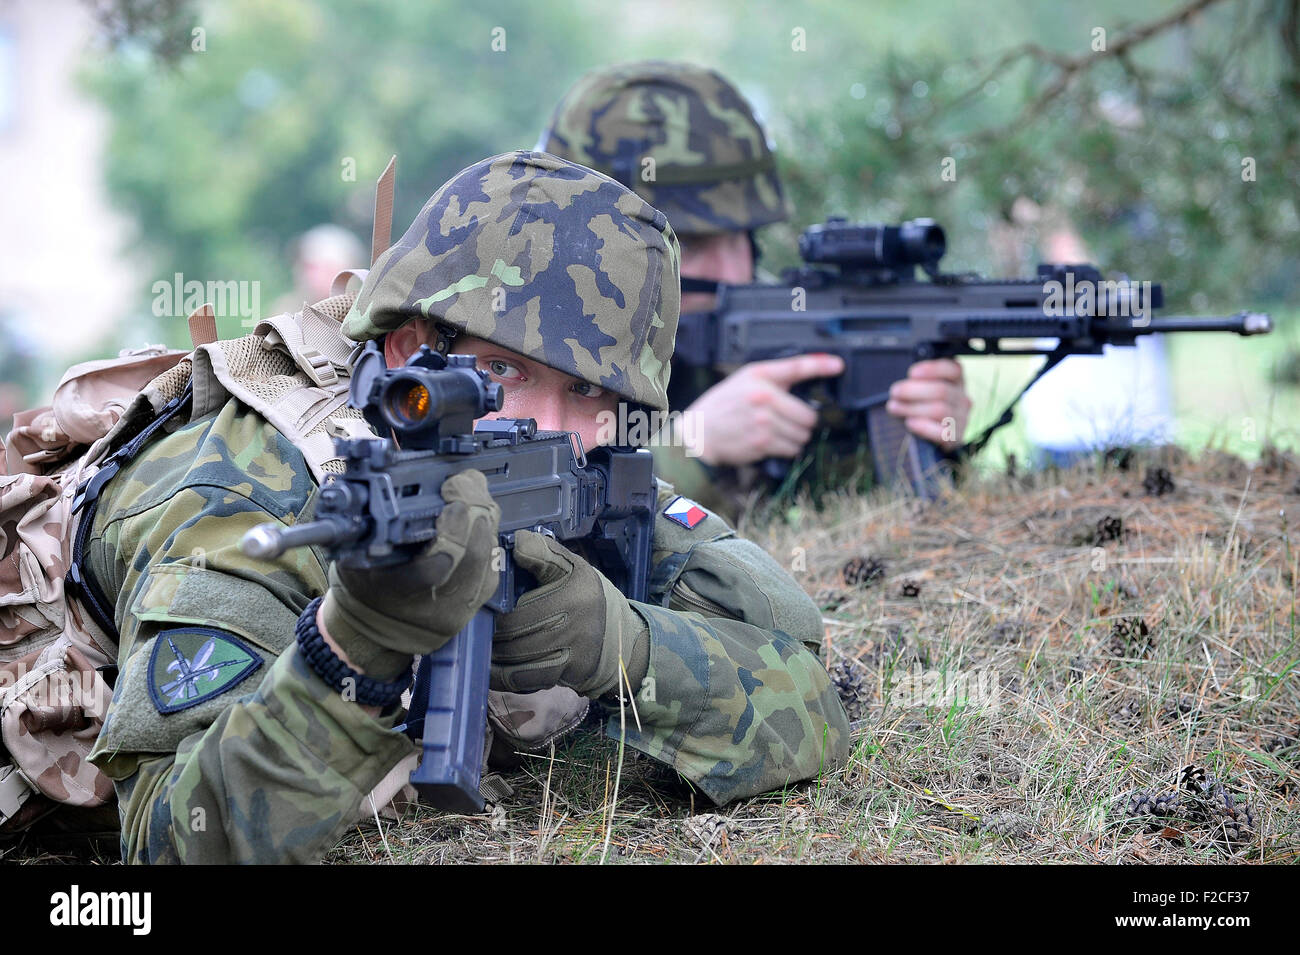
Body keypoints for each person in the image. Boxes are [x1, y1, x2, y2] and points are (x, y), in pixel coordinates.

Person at [83, 151, 850, 864]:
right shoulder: (248, 503)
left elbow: (812, 706)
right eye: (502, 372)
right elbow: (172, 840)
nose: (549, 427)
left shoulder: (580, 471)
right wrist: (352, 649)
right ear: (407, 351)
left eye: (585, 390)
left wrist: (625, 642)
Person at [538, 61, 973, 514]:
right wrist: (691, 449)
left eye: (743, 234)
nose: (732, 269)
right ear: (590, 244)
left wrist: (922, 432)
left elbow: (852, 519)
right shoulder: (520, 346)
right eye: (690, 241)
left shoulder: (781, 332)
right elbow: (536, 526)